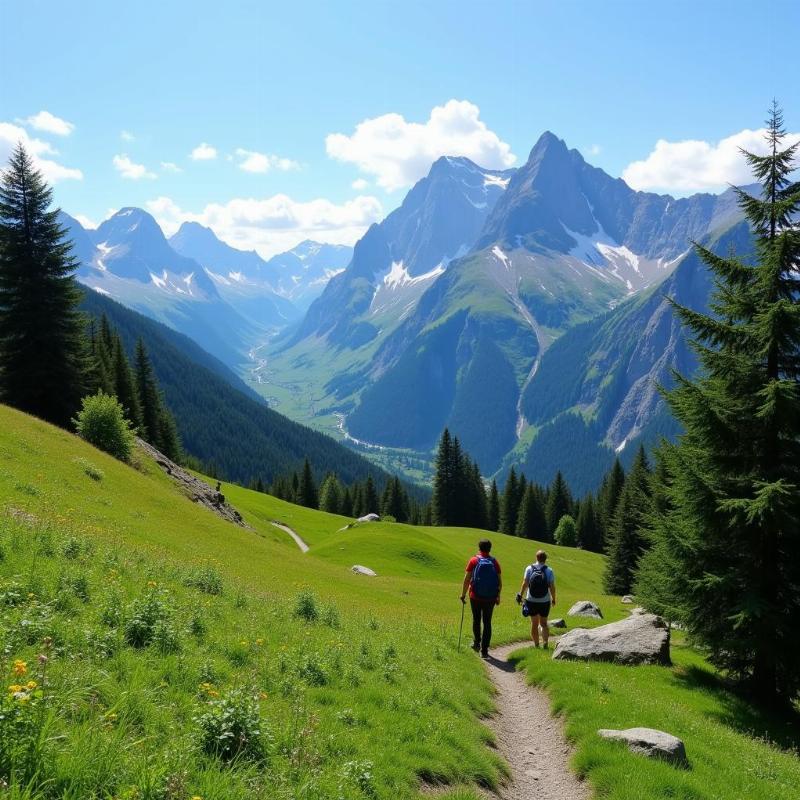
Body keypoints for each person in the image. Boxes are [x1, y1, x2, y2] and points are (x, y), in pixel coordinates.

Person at [460, 538, 502, 658]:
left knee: (476, 619)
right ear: (490, 548)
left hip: (475, 596)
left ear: (479, 548)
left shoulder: (473, 560)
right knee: (487, 622)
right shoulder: (494, 562)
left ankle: (477, 643)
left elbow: (467, 579)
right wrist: (498, 595)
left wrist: (463, 594)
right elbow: (500, 582)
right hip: (490, 598)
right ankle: (484, 651)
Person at [516, 549, 556, 649]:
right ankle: (545, 643)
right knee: (543, 623)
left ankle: (536, 645)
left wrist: (520, 595)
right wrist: (553, 598)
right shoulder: (549, 570)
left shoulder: (529, 568)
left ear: (536, 558)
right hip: (544, 601)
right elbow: (552, 586)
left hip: (531, 600)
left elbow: (525, 583)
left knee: (534, 623)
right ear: (545, 559)